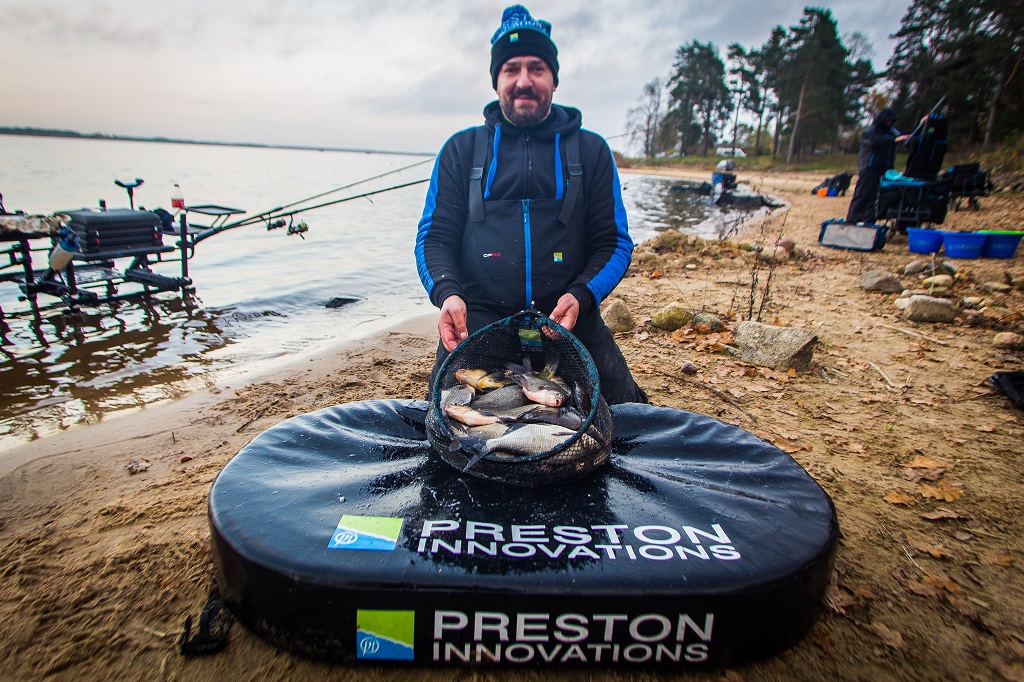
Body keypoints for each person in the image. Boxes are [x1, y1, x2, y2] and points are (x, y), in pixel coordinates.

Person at [415, 4, 646, 405]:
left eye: (537, 68)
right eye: (511, 69)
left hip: (569, 321)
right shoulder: (460, 150)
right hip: (479, 323)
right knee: (451, 414)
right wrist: (448, 295)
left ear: (554, 80)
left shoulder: (591, 151)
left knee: (627, 416)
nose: (524, 81)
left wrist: (582, 295)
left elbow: (614, 243)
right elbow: (433, 239)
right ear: (496, 81)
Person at [845, 108, 913, 224]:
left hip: (886, 169)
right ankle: (852, 220)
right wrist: (894, 139)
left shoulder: (892, 131)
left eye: (891, 121)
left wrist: (922, 123)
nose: (890, 123)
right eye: (888, 121)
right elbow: (874, 141)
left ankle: (869, 221)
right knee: (863, 194)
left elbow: (906, 137)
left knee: (877, 197)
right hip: (869, 168)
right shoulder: (871, 131)